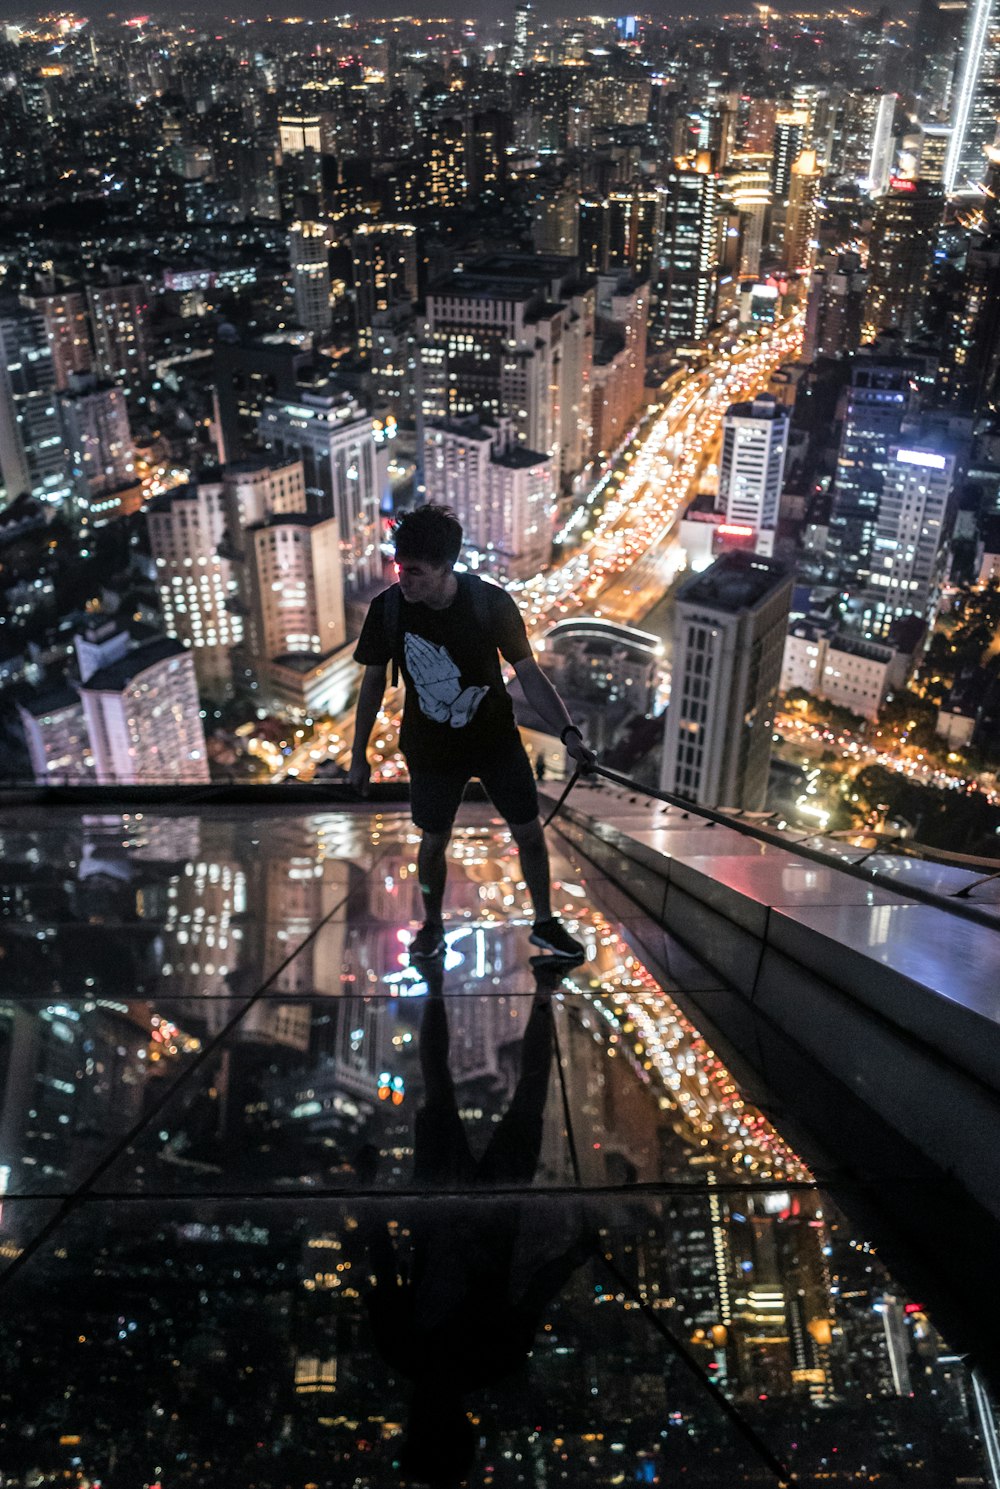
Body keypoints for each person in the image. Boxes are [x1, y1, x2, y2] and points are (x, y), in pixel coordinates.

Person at [348, 504, 595, 960]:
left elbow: (530, 674)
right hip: (431, 746)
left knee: (529, 832)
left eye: (418, 573)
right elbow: (372, 683)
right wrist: (358, 753)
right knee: (433, 840)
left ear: (447, 568)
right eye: (401, 569)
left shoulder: (489, 603)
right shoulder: (388, 610)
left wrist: (567, 732)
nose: (405, 581)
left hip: (496, 739)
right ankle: (432, 925)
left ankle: (544, 923)